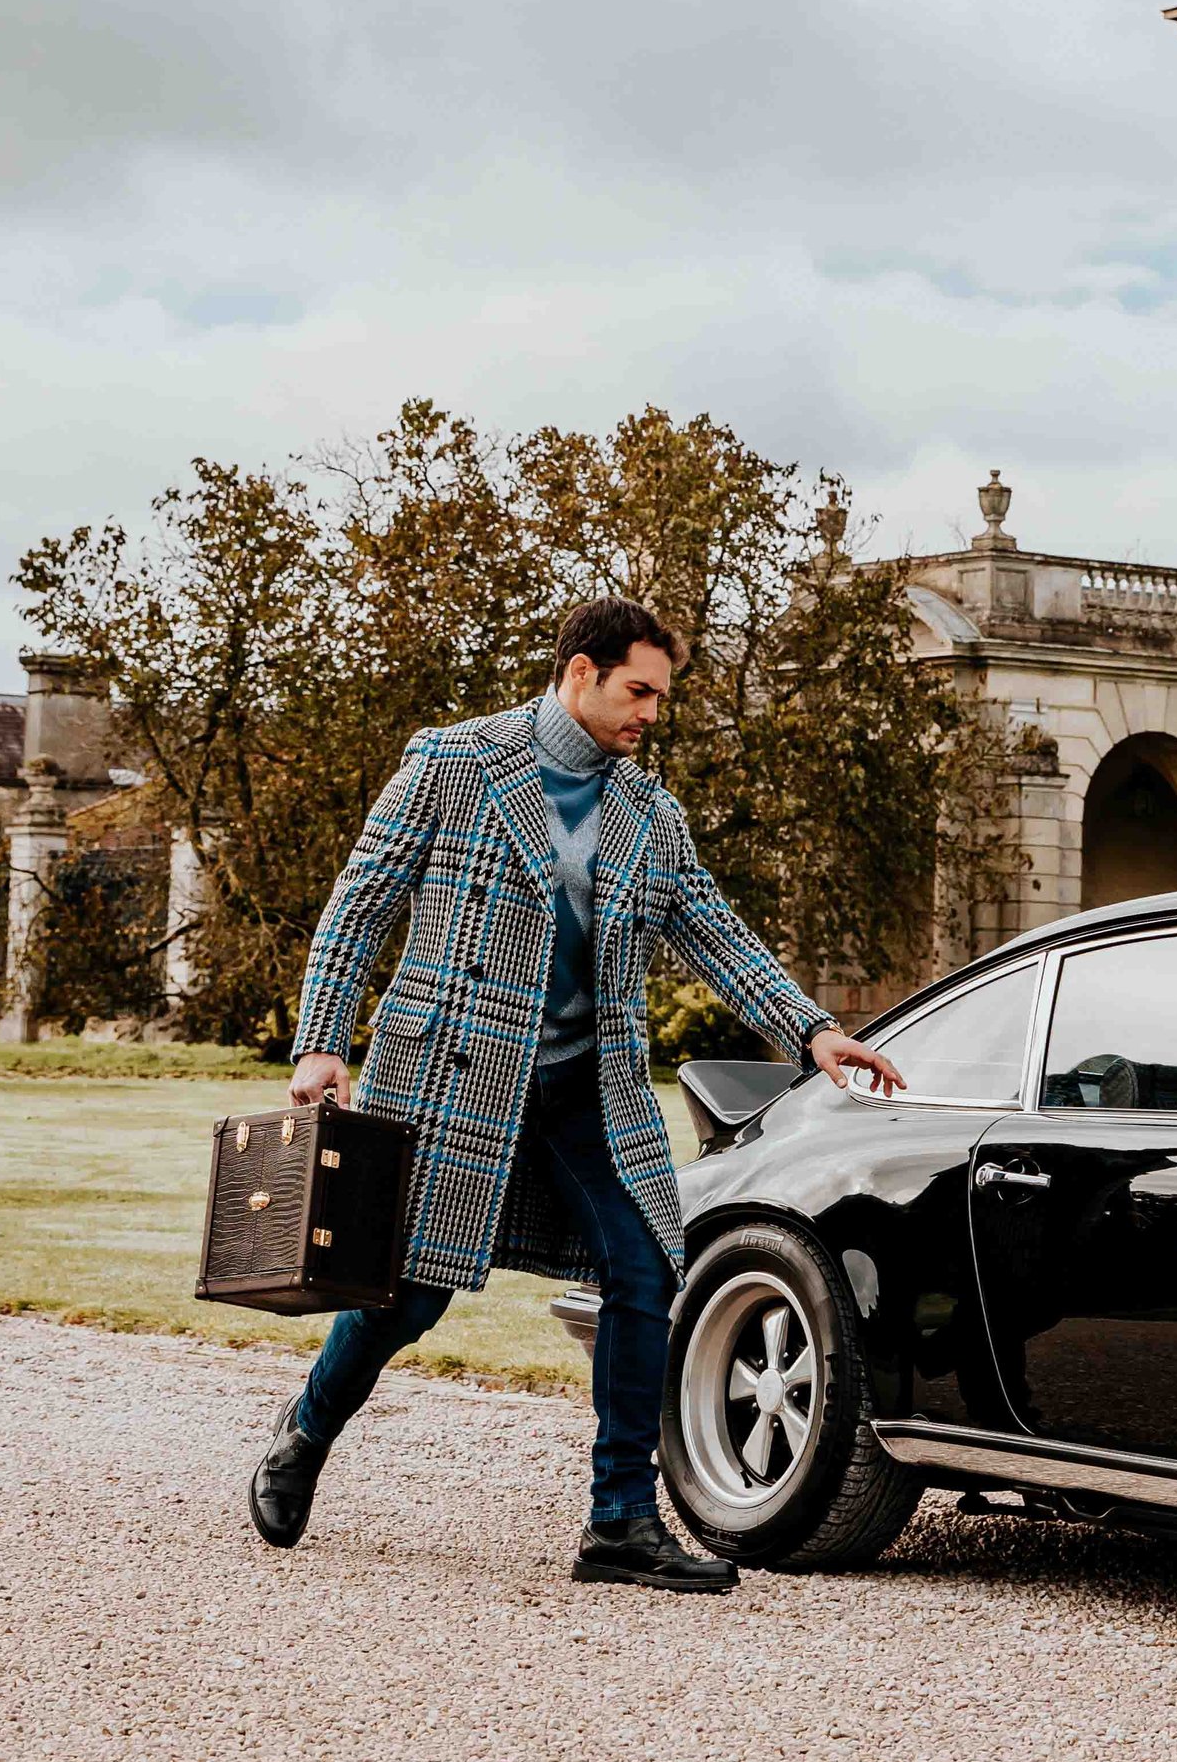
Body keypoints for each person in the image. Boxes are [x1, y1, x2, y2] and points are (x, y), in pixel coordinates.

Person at [246, 596, 903, 1592]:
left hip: (588, 1086)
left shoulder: (650, 812)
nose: (651, 713)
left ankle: (620, 1523)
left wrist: (812, 1028)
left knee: (647, 1270)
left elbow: (714, 930)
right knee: (406, 1292)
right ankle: (305, 1429)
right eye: (638, 690)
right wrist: (321, 1042)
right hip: (455, 1074)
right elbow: (359, 899)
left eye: (660, 695)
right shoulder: (453, 761)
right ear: (578, 672)